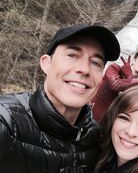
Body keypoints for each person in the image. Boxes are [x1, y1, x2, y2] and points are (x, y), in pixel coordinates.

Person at [0, 24, 120, 173]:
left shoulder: (94, 136)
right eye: (72, 55)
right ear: (46, 63)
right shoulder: (6, 122)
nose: (84, 69)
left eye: (96, 63)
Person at [91, 50, 138, 122]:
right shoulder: (114, 68)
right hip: (92, 116)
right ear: (134, 60)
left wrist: (129, 76)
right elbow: (115, 84)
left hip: (111, 124)